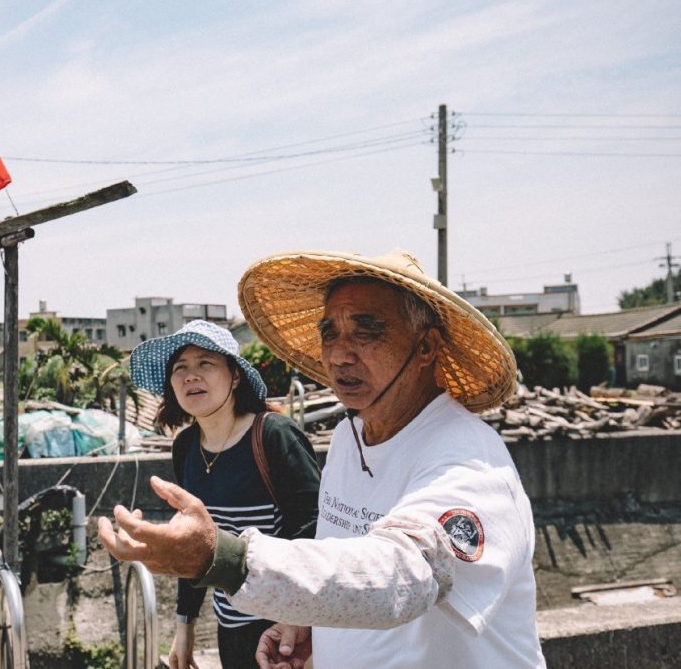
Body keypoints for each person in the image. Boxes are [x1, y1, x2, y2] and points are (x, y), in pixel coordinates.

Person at [99, 251, 546, 668]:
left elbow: (407, 576)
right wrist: (310, 624)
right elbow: (331, 553)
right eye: (329, 332)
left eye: (367, 329)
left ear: (425, 347)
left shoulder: (468, 461)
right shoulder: (350, 440)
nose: (338, 352)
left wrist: (223, 558)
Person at [128, 320, 320, 669]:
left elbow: (312, 528)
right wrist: (184, 625)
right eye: (180, 368)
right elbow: (196, 542)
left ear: (234, 377)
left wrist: (297, 620)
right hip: (229, 624)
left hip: (285, 631)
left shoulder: (274, 434)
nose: (190, 376)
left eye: (205, 363)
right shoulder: (186, 447)